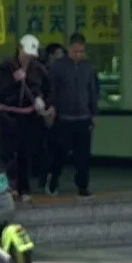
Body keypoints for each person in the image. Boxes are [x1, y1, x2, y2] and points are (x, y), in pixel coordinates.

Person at [0, 33, 51, 201]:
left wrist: (42, 100)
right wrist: (13, 80)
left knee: (25, 154)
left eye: (31, 56)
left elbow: (48, 89)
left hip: (28, 117)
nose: (28, 58)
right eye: (26, 54)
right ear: (19, 49)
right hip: (8, 115)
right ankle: (7, 189)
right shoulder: (7, 67)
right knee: (7, 154)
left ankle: (24, 189)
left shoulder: (38, 69)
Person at [47, 32, 98, 198]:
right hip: (64, 117)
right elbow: (52, 90)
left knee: (83, 155)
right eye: (75, 51)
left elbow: (92, 91)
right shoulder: (58, 66)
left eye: (81, 51)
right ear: (69, 49)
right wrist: (52, 107)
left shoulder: (88, 67)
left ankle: (83, 186)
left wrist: (94, 113)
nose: (78, 55)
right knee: (59, 153)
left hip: (83, 117)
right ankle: (53, 180)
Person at [36, 43, 66, 191]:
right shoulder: (42, 72)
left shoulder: (65, 72)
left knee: (58, 148)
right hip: (44, 114)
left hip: (60, 114)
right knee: (45, 148)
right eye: (58, 55)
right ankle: (44, 177)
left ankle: (53, 177)